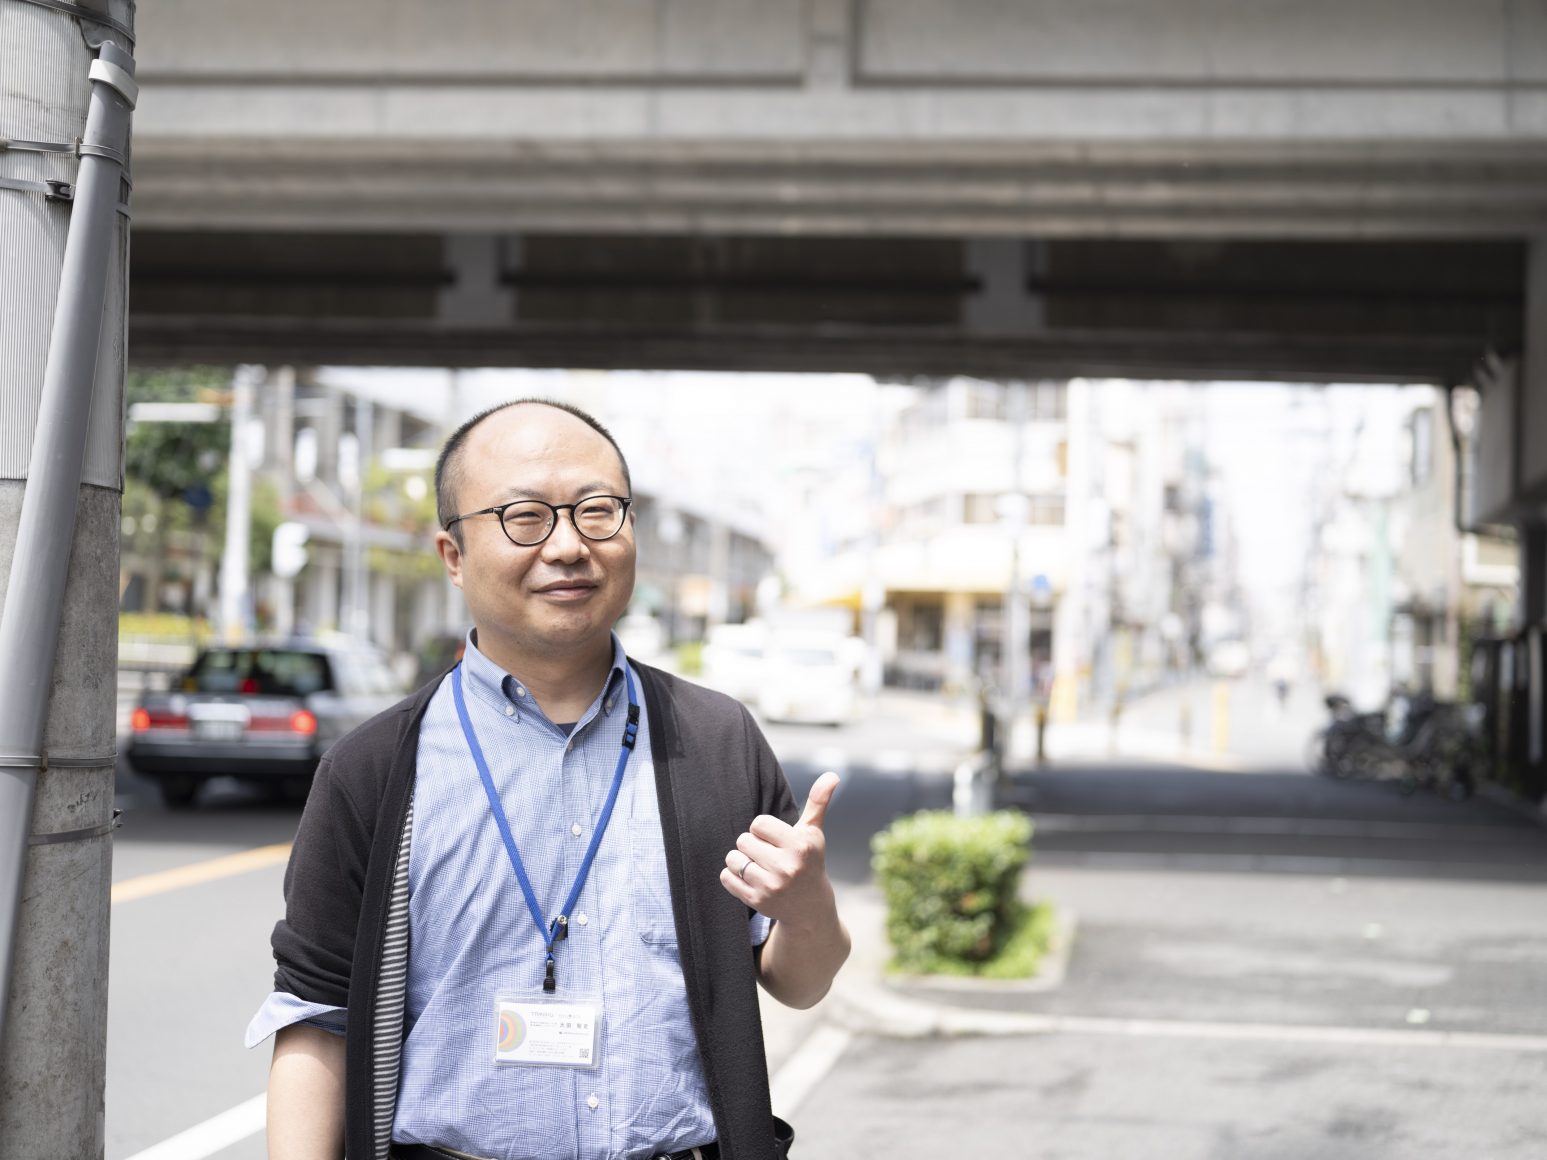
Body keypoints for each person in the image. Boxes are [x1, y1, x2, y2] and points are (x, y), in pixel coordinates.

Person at [246, 399, 850, 1160]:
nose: (568, 545)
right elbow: (315, 1016)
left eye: (598, 511)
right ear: (453, 555)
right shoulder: (372, 769)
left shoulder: (715, 740)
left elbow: (799, 983)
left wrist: (806, 909)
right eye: (524, 518)